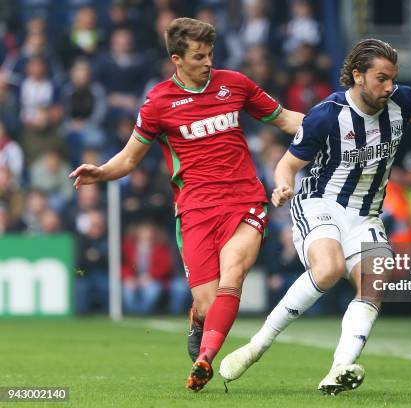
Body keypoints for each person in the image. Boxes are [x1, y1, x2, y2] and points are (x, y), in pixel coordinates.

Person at [69, 17, 303, 392]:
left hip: (245, 200)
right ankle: (198, 319)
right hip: (195, 210)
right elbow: (130, 158)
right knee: (209, 305)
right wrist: (101, 172)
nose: (208, 62)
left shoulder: (236, 84)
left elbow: (287, 119)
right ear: (176, 59)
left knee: (234, 275)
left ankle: (205, 359)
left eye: (210, 54)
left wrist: (333, 126)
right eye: (199, 56)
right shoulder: (159, 102)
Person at [219, 38, 411, 394]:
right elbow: (287, 164)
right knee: (329, 268)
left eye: (393, 78)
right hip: (321, 203)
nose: (389, 87)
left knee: (375, 282)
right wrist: (282, 186)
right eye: (381, 78)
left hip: (365, 214)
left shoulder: (401, 99)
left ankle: (339, 368)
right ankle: (257, 346)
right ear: (357, 76)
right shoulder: (328, 114)